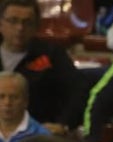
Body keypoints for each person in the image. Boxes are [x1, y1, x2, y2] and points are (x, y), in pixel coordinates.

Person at [0, 0, 86, 135]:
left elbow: (77, 92)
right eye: (13, 21)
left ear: (36, 26)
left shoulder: (52, 55)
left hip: (39, 137)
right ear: (1, 23)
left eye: (27, 22)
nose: (20, 28)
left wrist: (63, 124)